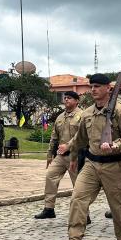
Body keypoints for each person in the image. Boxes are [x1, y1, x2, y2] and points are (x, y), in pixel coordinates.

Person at [55, 73, 121, 240]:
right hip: (91, 164)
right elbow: (80, 139)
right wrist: (71, 152)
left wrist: (115, 145)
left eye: (98, 86)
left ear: (108, 88)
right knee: (77, 199)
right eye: (92, 86)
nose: (93, 89)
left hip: (114, 166)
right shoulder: (87, 113)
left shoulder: (120, 111)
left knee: (118, 210)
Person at [34, 91, 83, 219]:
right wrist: (49, 154)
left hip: (76, 155)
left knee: (79, 185)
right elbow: (54, 137)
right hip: (61, 156)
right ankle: (49, 208)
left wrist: (70, 146)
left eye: (69, 98)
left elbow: (82, 136)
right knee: (50, 176)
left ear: (77, 101)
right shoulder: (60, 117)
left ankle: (84, 214)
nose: (66, 100)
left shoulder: (82, 115)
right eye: (65, 98)